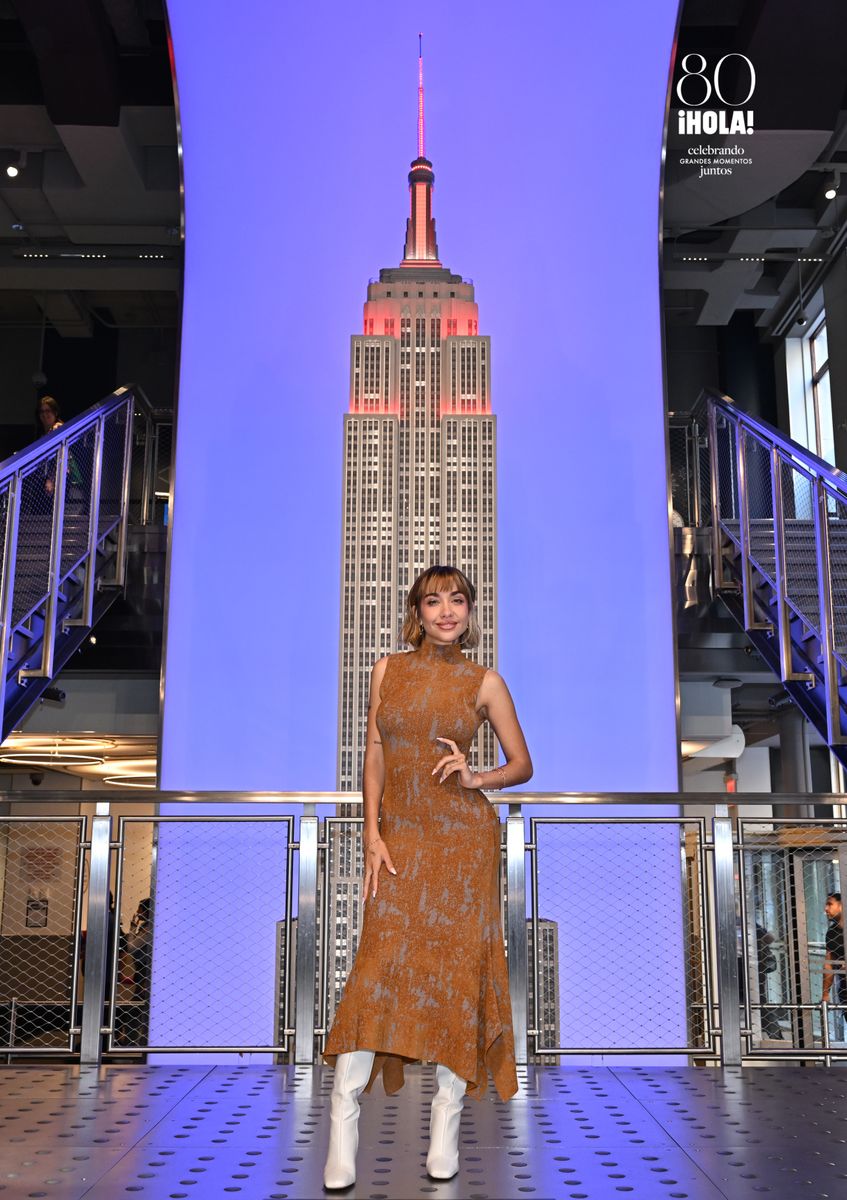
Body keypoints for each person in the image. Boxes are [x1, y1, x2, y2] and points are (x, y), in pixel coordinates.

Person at [322, 564, 533, 1189]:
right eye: (434, 600)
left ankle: (445, 1127)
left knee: (455, 982)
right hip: (402, 842)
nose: (447, 610)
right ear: (417, 611)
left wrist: (476, 777)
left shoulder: (484, 682)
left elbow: (522, 764)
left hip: (464, 846)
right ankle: (342, 1122)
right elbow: (377, 753)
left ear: (469, 611)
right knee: (375, 972)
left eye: (458, 600)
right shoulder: (387, 669)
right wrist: (372, 833)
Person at [822, 891, 845, 1038]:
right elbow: (829, 964)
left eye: (830, 904)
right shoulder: (832, 933)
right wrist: (825, 993)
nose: (826, 908)